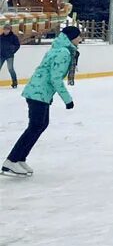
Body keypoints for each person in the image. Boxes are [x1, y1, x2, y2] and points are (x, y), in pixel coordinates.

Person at [2, 26, 81, 177]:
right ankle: (11, 160)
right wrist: (67, 100)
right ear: (71, 37)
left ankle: (19, 159)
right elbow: (55, 78)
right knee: (36, 126)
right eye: (78, 36)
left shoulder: (59, 48)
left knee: (40, 125)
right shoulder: (63, 52)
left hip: (39, 92)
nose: (80, 39)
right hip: (38, 92)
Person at [1, 24, 20, 88]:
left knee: (10, 69)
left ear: (10, 30)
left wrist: (12, 50)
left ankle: (15, 83)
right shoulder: (1, 37)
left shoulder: (14, 37)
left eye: (7, 29)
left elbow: (17, 45)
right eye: (4, 29)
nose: (5, 31)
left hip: (9, 56)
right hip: (1, 55)